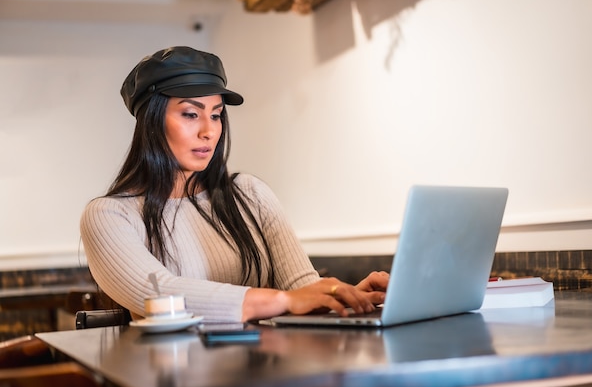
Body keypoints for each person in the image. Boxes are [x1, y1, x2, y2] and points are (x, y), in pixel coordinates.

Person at [80, 46, 388, 323]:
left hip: (266, 370)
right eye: (190, 114)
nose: (209, 131)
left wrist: (344, 298)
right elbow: (159, 296)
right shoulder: (110, 215)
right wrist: (284, 300)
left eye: (216, 116)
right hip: (175, 379)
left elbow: (301, 290)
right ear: (151, 120)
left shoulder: (249, 194)